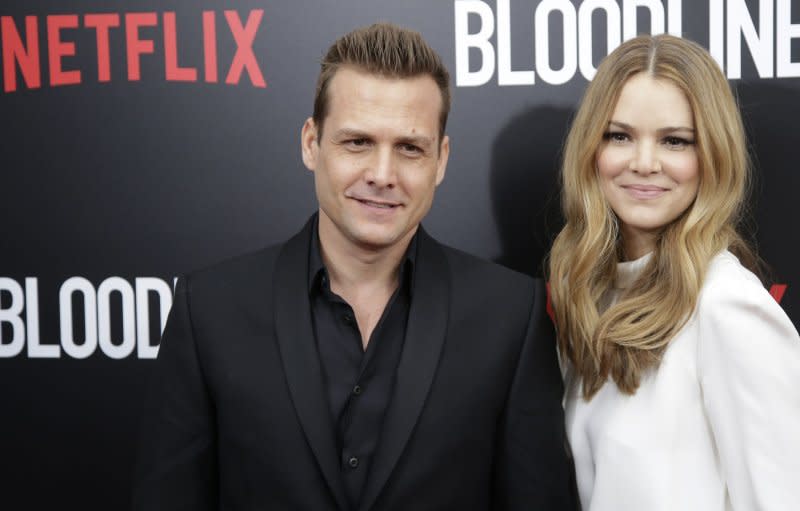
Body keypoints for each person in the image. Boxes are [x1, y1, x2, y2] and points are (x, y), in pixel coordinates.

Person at [132, 23, 576, 511]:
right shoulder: (210, 311)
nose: (382, 175)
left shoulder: (512, 316)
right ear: (310, 143)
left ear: (441, 160)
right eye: (357, 142)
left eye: (410, 148)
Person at [548, 34, 800, 511]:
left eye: (675, 141)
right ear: (591, 150)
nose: (644, 163)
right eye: (619, 136)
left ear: (712, 156)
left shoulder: (726, 306)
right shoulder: (595, 296)